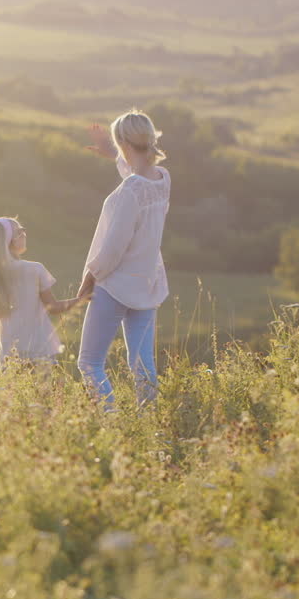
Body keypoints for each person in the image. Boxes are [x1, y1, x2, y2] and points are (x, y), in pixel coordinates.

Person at [78, 109, 171, 407]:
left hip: (114, 284)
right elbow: (138, 181)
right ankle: (150, 419)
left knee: (89, 362)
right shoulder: (162, 179)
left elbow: (113, 249)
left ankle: (111, 420)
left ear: (124, 143)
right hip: (147, 282)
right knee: (142, 363)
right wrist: (115, 155)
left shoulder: (131, 190)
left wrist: (90, 278)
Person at [0, 216, 87, 369]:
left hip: (10, 354)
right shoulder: (35, 269)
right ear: (10, 240)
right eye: (20, 231)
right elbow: (54, 308)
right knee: (44, 385)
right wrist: (84, 298)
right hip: (40, 350)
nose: (25, 234)